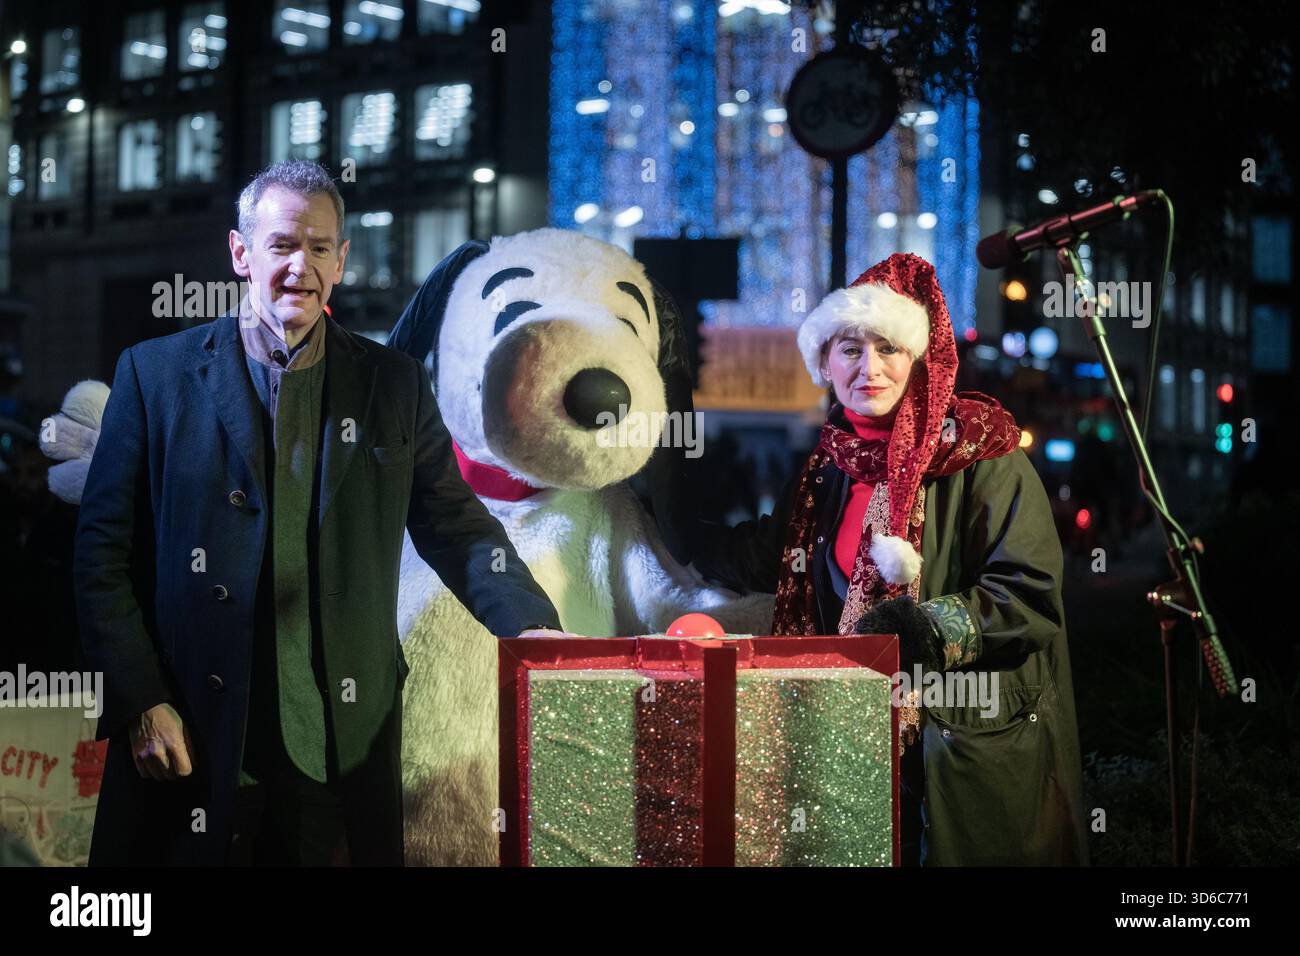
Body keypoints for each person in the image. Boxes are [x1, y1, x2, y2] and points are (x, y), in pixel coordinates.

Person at [74, 160, 570, 867]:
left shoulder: (393, 383)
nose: (298, 267)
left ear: (340, 260)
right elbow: (101, 558)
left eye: (317, 248)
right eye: (280, 245)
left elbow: (453, 524)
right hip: (189, 735)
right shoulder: (153, 375)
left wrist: (529, 626)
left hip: (340, 743)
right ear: (241, 253)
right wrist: (137, 700)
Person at [687, 253, 1088, 865]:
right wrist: (669, 524)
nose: (868, 368)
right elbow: (769, 559)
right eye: (849, 349)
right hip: (852, 747)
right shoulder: (830, 468)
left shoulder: (981, 455)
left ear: (919, 360)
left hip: (959, 749)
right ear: (824, 362)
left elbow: (1029, 596)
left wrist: (929, 629)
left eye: (888, 349)